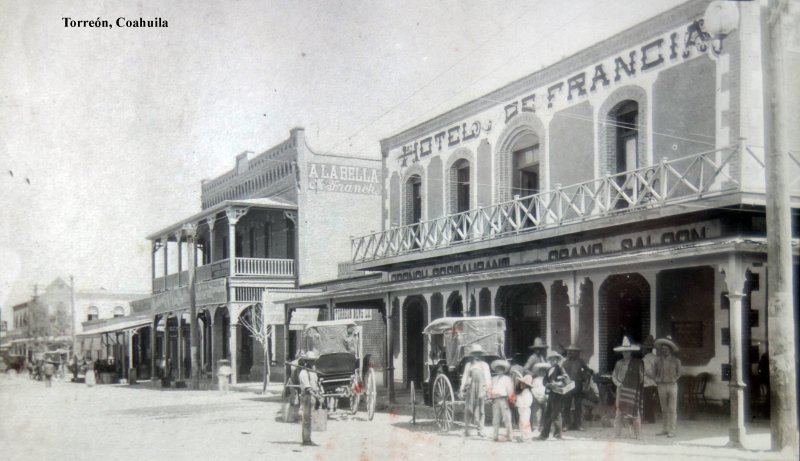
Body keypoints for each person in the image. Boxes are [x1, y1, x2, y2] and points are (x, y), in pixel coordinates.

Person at [611, 336, 643, 439]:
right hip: (620, 389)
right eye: (623, 352)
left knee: (635, 411)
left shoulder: (637, 363)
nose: (625, 354)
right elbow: (614, 376)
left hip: (632, 390)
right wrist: (618, 384)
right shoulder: (619, 363)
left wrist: (636, 385)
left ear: (630, 352)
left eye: (627, 352)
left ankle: (637, 433)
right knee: (619, 411)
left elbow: (641, 377)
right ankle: (617, 432)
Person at [459, 345, 491, 437]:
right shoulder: (468, 365)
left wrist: (488, 390)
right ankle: (466, 429)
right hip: (471, 388)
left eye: (478, 353)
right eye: (475, 353)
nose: (476, 355)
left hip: (481, 388)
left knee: (481, 410)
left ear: (481, 354)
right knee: (469, 409)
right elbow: (465, 377)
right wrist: (462, 389)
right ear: (472, 355)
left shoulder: (485, 365)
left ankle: (481, 430)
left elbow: (488, 378)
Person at [538, 351, 571, 440]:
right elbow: (544, 381)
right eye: (551, 359)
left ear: (557, 360)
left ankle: (558, 435)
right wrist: (548, 385)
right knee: (548, 413)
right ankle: (544, 435)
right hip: (551, 393)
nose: (552, 361)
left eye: (554, 359)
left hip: (559, 393)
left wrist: (558, 383)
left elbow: (566, 379)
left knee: (556, 414)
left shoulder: (560, 368)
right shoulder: (549, 369)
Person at [654, 335, 681, 438]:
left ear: (670, 349)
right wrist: (657, 380)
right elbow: (654, 373)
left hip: (673, 386)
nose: (664, 350)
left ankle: (672, 430)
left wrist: (675, 379)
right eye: (662, 349)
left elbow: (679, 373)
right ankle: (664, 429)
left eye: (666, 349)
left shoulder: (676, 361)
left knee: (672, 409)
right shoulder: (657, 360)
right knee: (664, 408)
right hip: (661, 386)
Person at [562, 344, 589, 431]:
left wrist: (584, 376)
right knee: (566, 406)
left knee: (578, 406)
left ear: (577, 353)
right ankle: (566, 424)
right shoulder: (565, 363)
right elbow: (561, 374)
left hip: (578, 386)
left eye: (574, 351)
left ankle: (578, 425)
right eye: (570, 351)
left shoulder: (581, 362)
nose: (571, 353)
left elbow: (587, 371)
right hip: (568, 386)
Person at [489, 359, 515, 442]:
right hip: (495, 400)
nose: (499, 370)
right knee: (495, 419)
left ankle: (510, 436)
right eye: (498, 369)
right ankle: (495, 436)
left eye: (501, 369)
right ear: (496, 370)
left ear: (504, 370)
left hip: (504, 399)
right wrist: (490, 397)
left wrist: (511, 400)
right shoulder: (493, 378)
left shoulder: (507, 379)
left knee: (507, 418)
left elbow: (510, 390)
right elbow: (490, 389)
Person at [298, 351, 320, 446]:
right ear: (307, 362)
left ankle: (308, 438)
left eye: (314, 361)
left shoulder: (313, 372)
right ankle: (306, 440)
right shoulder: (304, 372)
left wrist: (318, 393)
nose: (313, 363)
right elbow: (308, 388)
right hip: (307, 397)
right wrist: (316, 395)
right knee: (306, 419)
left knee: (310, 418)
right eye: (311, 361)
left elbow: (315, 384)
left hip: (312, 397)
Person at [641, 335, 659, 424]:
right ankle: (650, 418)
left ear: (646, 349)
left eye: (644, 349)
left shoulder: (645, 359)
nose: (643, 350)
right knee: (651, 401)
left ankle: (649, 418)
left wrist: (654, 378)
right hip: (654, 383)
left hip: (647, 383)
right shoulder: (656, 358)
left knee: (647, 401)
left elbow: (648, 372)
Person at [515, 374, 535, 442]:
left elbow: (528, 402)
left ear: (527, 385)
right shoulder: (522, 392)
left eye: (523, 383)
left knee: (525, 423)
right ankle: (523, 436)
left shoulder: (527, 393)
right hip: (521, 409)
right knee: (521, 423)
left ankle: (527, 437)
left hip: (525, 409)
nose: (521, 384)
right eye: (521, 383)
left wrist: (523, 406)